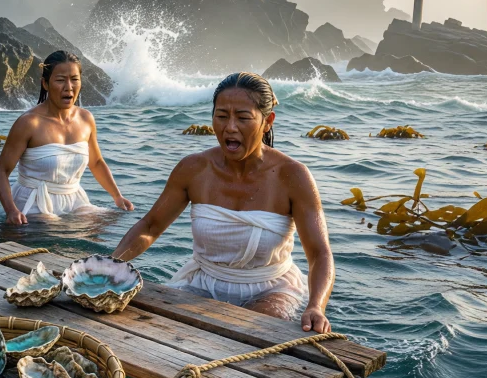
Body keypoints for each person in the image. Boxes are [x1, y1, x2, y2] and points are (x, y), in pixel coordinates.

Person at [111, 72, 333, 333]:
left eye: (243, 117)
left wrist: (316, 305)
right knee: (148, 332)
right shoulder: (194, 168)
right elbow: (150, 227)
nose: (230, 127)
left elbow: (319, 254)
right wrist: (109, 266)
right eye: (222, 116)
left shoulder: (293, 176)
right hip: (202, 283)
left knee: (250, 339)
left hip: (271, 290)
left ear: (267, 121)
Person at [0, 50, 134, 225]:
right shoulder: (29, 123)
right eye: (60, 80)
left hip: (74, 200)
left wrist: (117, 196)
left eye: (74, 79)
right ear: (45, 83)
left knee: (111, 223)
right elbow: (1, 172)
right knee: (56, 232)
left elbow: (96, 162)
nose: (69, 87)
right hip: (35, 203)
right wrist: (11, 210)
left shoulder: (86, 119)